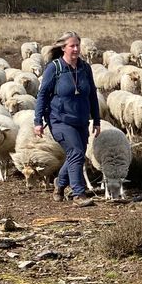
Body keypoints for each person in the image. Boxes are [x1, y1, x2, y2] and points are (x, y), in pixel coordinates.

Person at [34, 31, 100, 204]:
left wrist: (97, 121)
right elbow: (42, 95)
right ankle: (78, 194)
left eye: (78, 45)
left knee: (75, 155)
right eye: (72, 46)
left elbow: (92, 95)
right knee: (76, 152)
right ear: (63, 48)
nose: (76, 49)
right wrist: (38, 121)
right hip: (60, 120)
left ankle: (60, 184)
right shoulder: (54, 68)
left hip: (81, 120)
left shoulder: (85, 68)